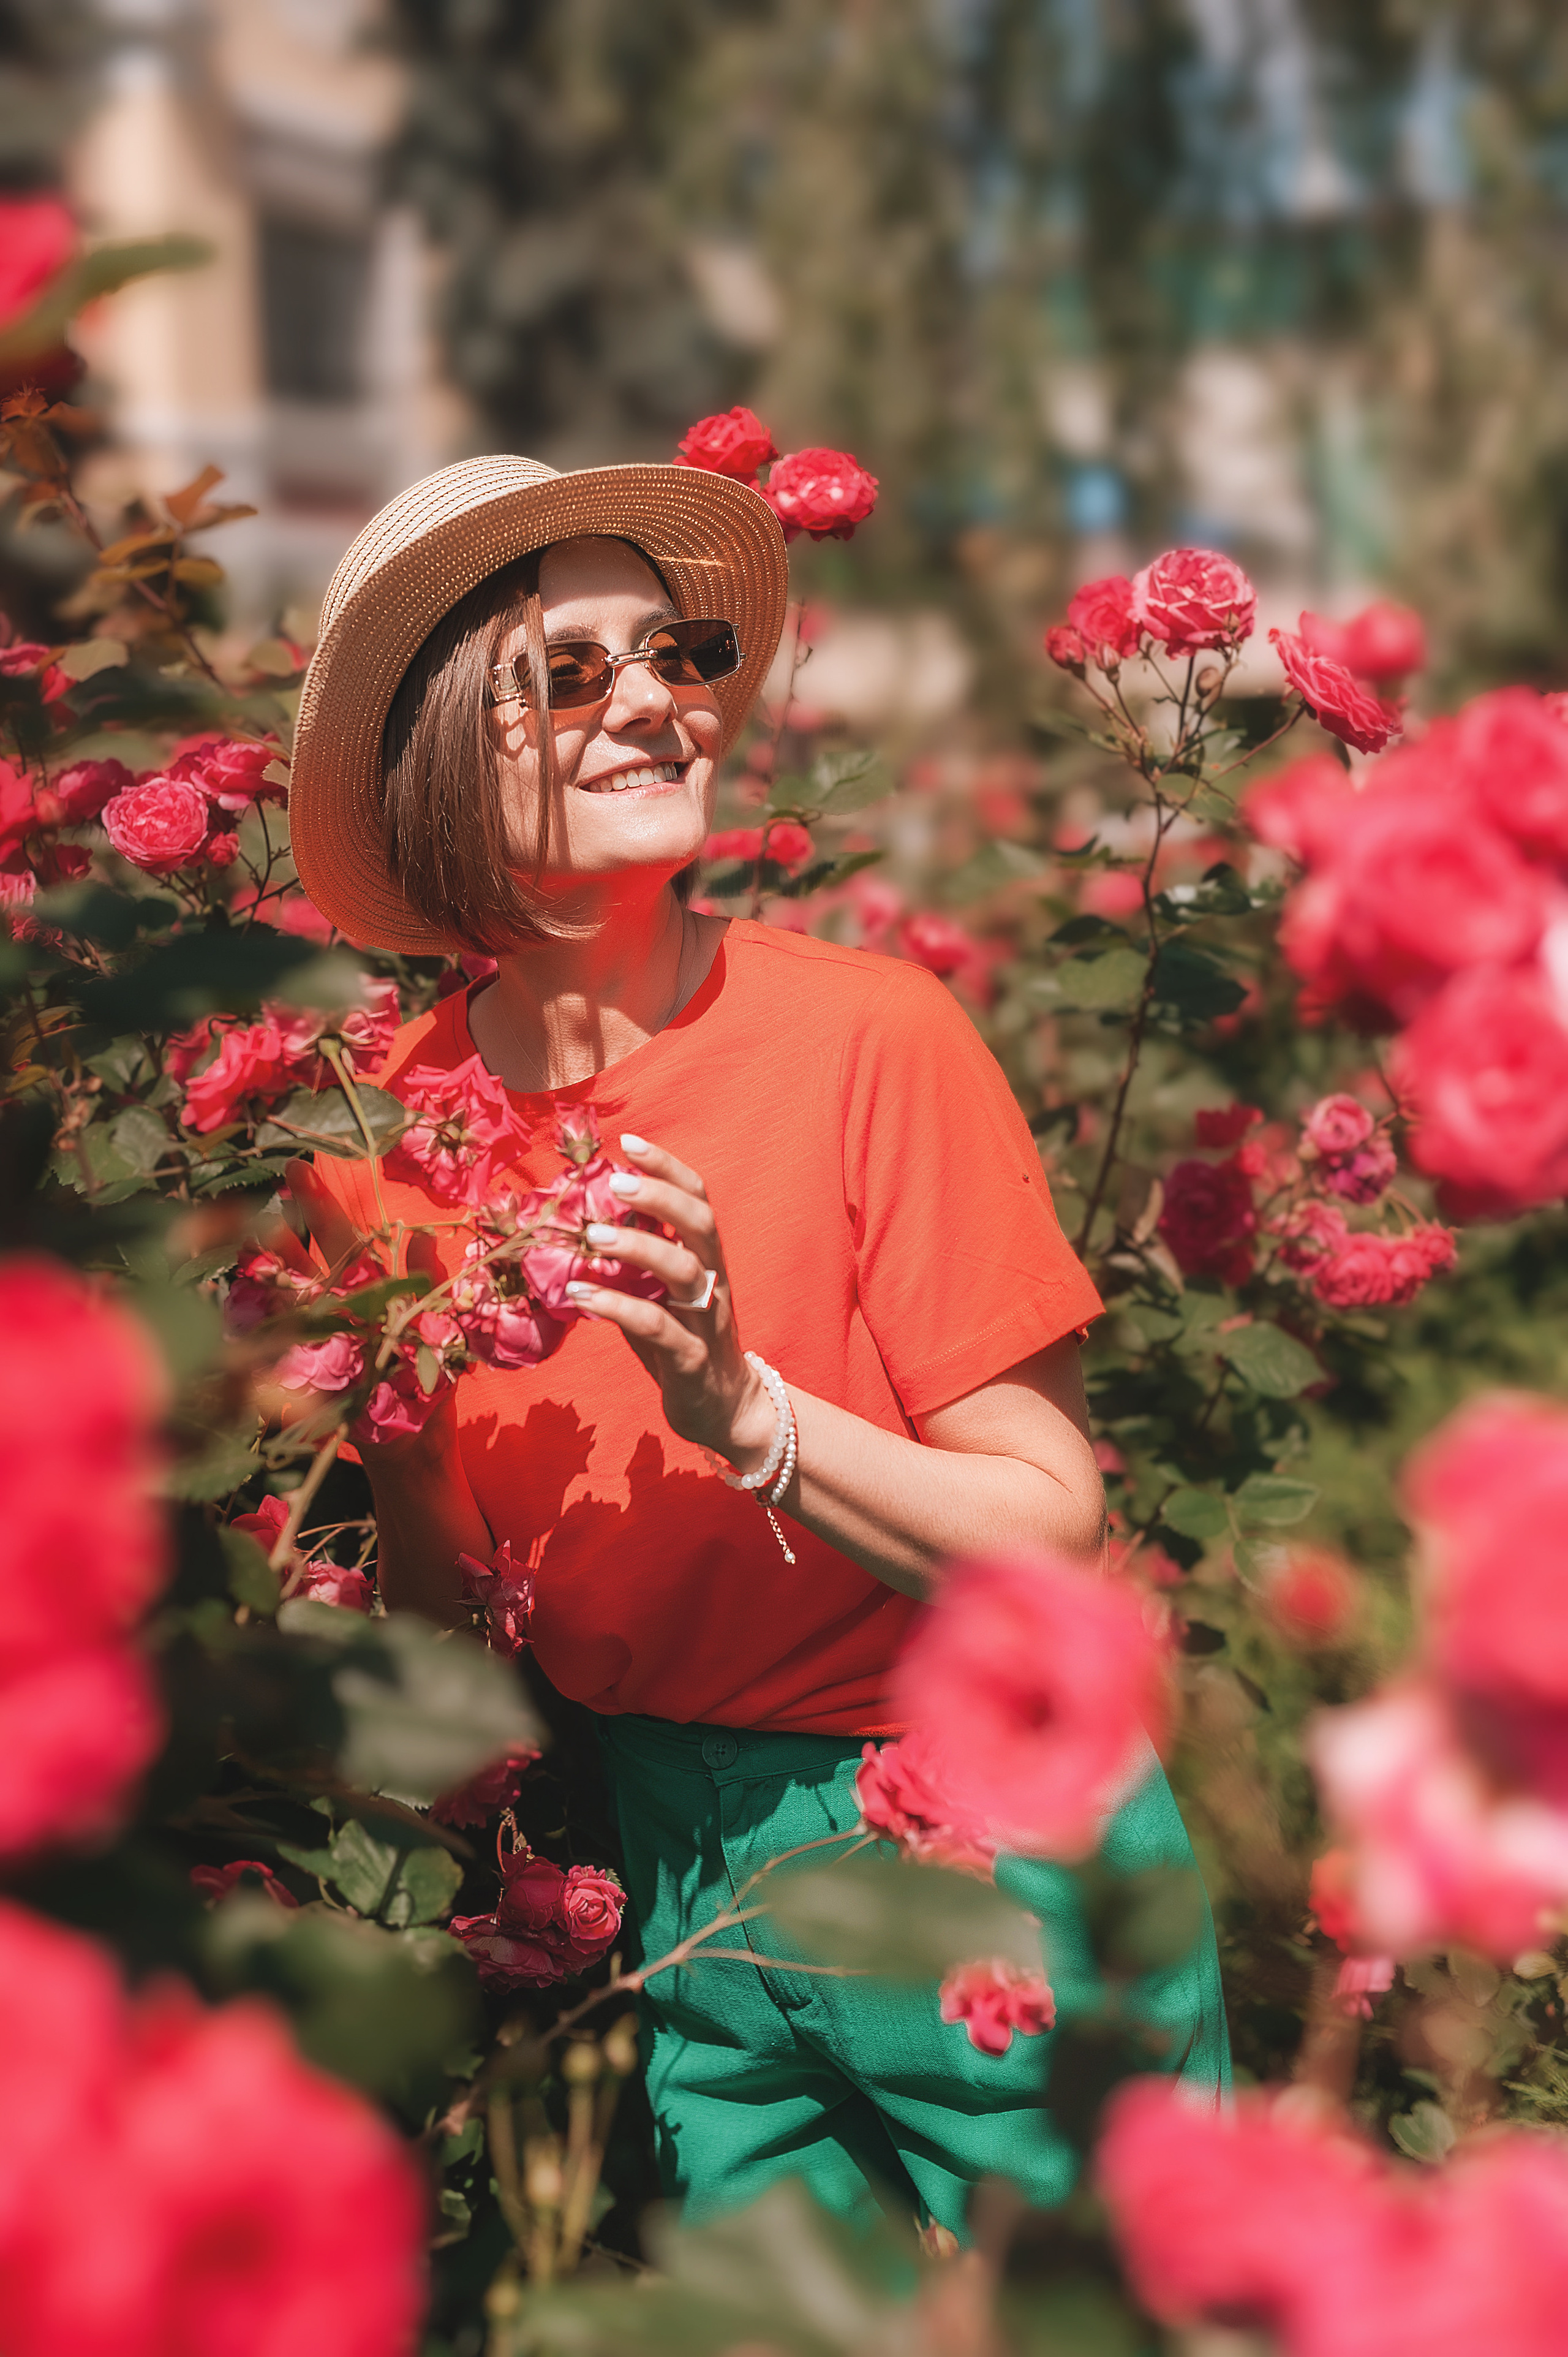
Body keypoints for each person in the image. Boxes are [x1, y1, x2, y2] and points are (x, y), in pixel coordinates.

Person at [287, 453, 1229, 2239]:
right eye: (574, 672)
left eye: (678, 652)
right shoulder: (371, 1149)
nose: (660, 702)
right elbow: (442, 1637)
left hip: (982, 1832)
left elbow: (1048, 1533)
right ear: (438, 752)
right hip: (684, 1875)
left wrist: (743, 1408)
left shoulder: (872, 1039)